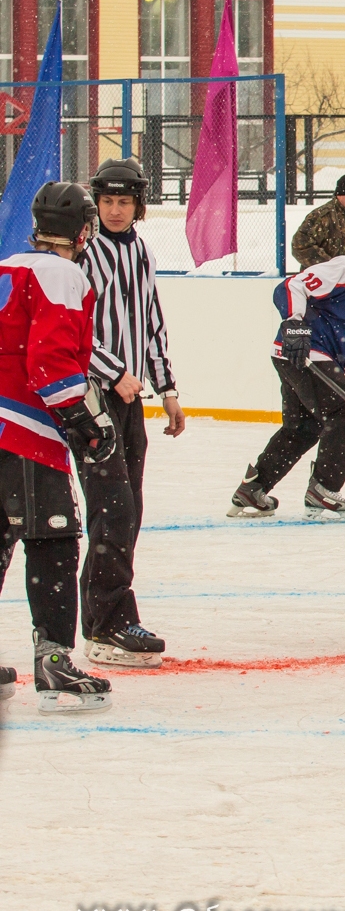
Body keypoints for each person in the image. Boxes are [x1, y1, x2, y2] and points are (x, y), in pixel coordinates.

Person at [0, 182, 114, 712]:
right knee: (53, 538)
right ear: (83, 230)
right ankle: (53, 658)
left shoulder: (8, 265)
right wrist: (86, 420)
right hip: (23, 429)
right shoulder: (62, 272)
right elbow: (49, 359)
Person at [77, 158, 185, 670]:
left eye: (124, 202)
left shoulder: (139, 249)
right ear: (95, 204)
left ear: (138, 205)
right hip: (94, 398)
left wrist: (167, 387)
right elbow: (75, 327)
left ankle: (108, 618)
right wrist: (116, 370)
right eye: (107, 202)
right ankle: (106, 625)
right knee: (111, 507)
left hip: (130, 400)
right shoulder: (84, 252)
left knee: (128, 509)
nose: (116, 211)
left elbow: (151, 319)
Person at [230, 223, 345, 521]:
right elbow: (290, 286)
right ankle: (323, 490)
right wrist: (295, 323)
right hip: (304, 353)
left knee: (303, 428)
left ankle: (253, 489)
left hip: (309, 359)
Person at [292, 174, 345, 268]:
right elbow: (300, 246)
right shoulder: (322, 217)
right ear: (340, 195)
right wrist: (330, 267)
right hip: (323, 279)